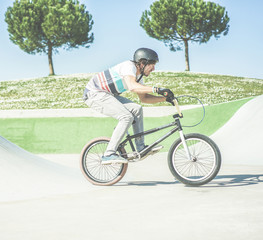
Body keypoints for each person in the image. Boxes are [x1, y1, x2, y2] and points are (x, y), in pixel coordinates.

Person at [83, 48, 174, 165]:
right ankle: (108, 154)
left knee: (137, 109)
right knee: (126, 117)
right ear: (142, 62)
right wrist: (157, 89)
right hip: (94, 94)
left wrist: (165, 98)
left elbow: (144, 98)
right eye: (152, 64)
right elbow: (132, 86)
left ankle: (140, 148)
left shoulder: (138, 77)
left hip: (106, 95)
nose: (154, 68)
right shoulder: (128, 66)